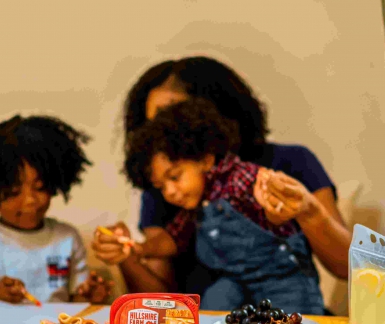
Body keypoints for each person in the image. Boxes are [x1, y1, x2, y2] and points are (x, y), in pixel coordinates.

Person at [92, 56, 351, 309]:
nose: (161, 133)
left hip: (287, 295)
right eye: (152, 125)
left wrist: (307, 211)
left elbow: (348, 268)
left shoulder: (279, 166)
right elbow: (163, 302)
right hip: (223, 317)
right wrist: (129, 253)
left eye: (170, 115)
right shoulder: (166, 191)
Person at [121, 98, 326, 314]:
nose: (169, 192)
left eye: (175, 177)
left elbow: (276, 215)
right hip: (237, 281)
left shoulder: (241, 179)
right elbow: (172, 239)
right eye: (161, 187)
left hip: (283, 278)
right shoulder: (197, 206)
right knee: (213, 303)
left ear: (206, 161)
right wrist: (140, 249)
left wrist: (272, 205)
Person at [0, 114, 113, 304]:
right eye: (14, 191)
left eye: (40, 187)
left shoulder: (66, 238)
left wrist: (89, 295)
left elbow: (75, 300)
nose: (29, 200)